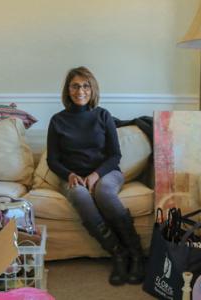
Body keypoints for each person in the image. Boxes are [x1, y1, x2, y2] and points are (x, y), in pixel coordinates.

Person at [46, 66, 144, 285]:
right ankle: (118, 253)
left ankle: (136, 253)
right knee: (80, 196)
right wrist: (69, 174)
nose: (80, 90)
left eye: (85, 85)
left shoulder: (103, 115)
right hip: (73, 177)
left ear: (92, 89)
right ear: (67, 90)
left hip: (107, 172)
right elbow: (52, 160)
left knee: (104, 193)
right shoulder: (57, 121)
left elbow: (115, 155)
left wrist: (96, 174)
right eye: (75, 86)